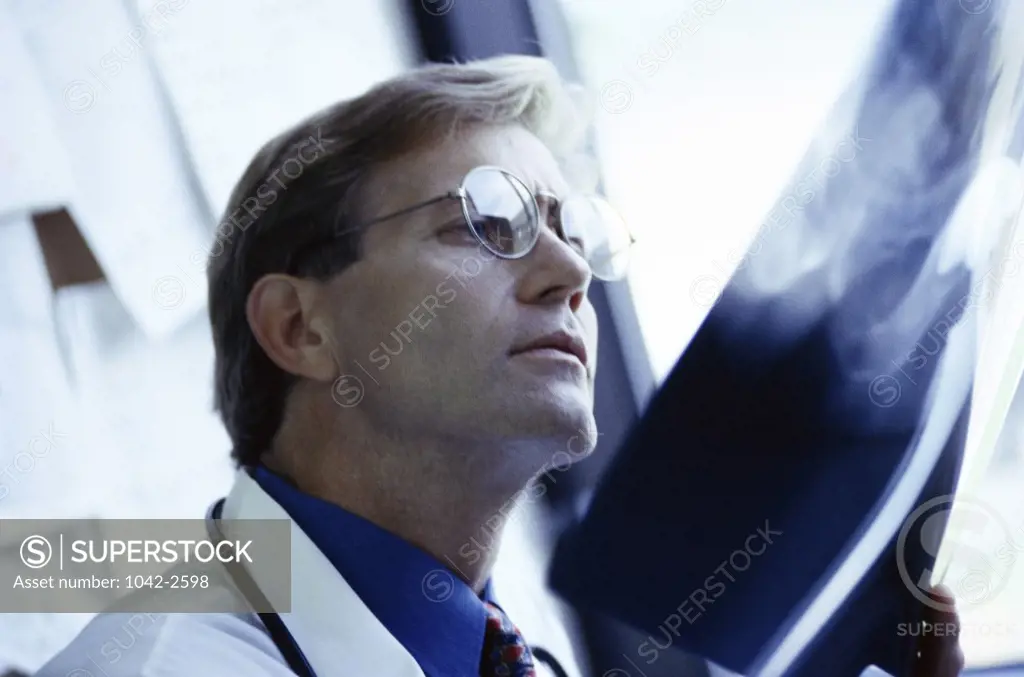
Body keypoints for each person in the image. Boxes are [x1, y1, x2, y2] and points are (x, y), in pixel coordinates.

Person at [38, 55, 962, 677]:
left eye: (575, 233)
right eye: (487, 221)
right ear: (300, 327)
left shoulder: (506, 644)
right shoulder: (165, 660)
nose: (568, 274)